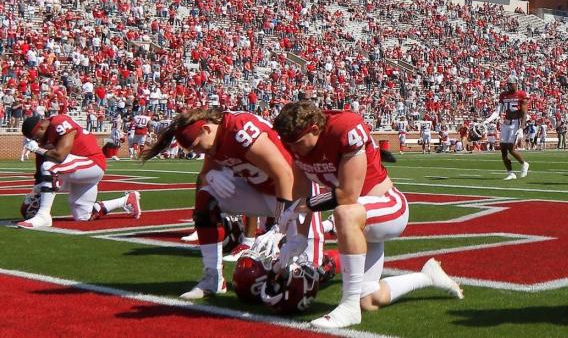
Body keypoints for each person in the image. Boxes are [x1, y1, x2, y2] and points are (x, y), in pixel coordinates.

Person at [274, 102, 463, 329]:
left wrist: (304, 207)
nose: (293, 149)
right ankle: (428, 276)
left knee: (344, 212)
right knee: (370, 299)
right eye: (288, 144)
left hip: (388, 206)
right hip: (359, 222)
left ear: (314, 129)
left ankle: (349, 306)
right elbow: (301, 194)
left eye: (296, 143)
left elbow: (347, 196)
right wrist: (300, 238)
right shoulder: (298, 145)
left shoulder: (344, 128)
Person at [141, 108, 324, 300]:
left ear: (206, 129)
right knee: (206, 197)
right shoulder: (215, 138)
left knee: (306, 273)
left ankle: (332, 263)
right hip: (258, 190)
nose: (198, 152)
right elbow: (203, 176)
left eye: (197, 146)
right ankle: (213, 277)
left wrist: (279, 225)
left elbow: (284, 174)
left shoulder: (239, 130)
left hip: (294, 196)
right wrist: (211, 176)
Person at [18, 115, 140, 228]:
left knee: (50, 166)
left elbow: (60, 156)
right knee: (83, 217)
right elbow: (41, 175)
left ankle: (44, 215)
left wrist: (38, 149)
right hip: (78, 170)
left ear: (41, 126)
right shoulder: (44, 137)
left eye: (35, 136)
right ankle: (126, 200)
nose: (36, 139)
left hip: (92, 163)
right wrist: (35, 191)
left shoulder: (59, 122)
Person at [484, 75, 530, 180]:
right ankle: (510, 173)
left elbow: (524, 113)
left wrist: (521, 128)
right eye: (508, 84)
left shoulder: (521, 94)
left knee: (511, 148)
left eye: (511, 84)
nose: (509, 86)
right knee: (503, 149)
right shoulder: (503, 95)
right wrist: (487, 121)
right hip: (506, 123)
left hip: (516, 123)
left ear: (516, 83)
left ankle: (524, 164)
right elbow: (497, 112)